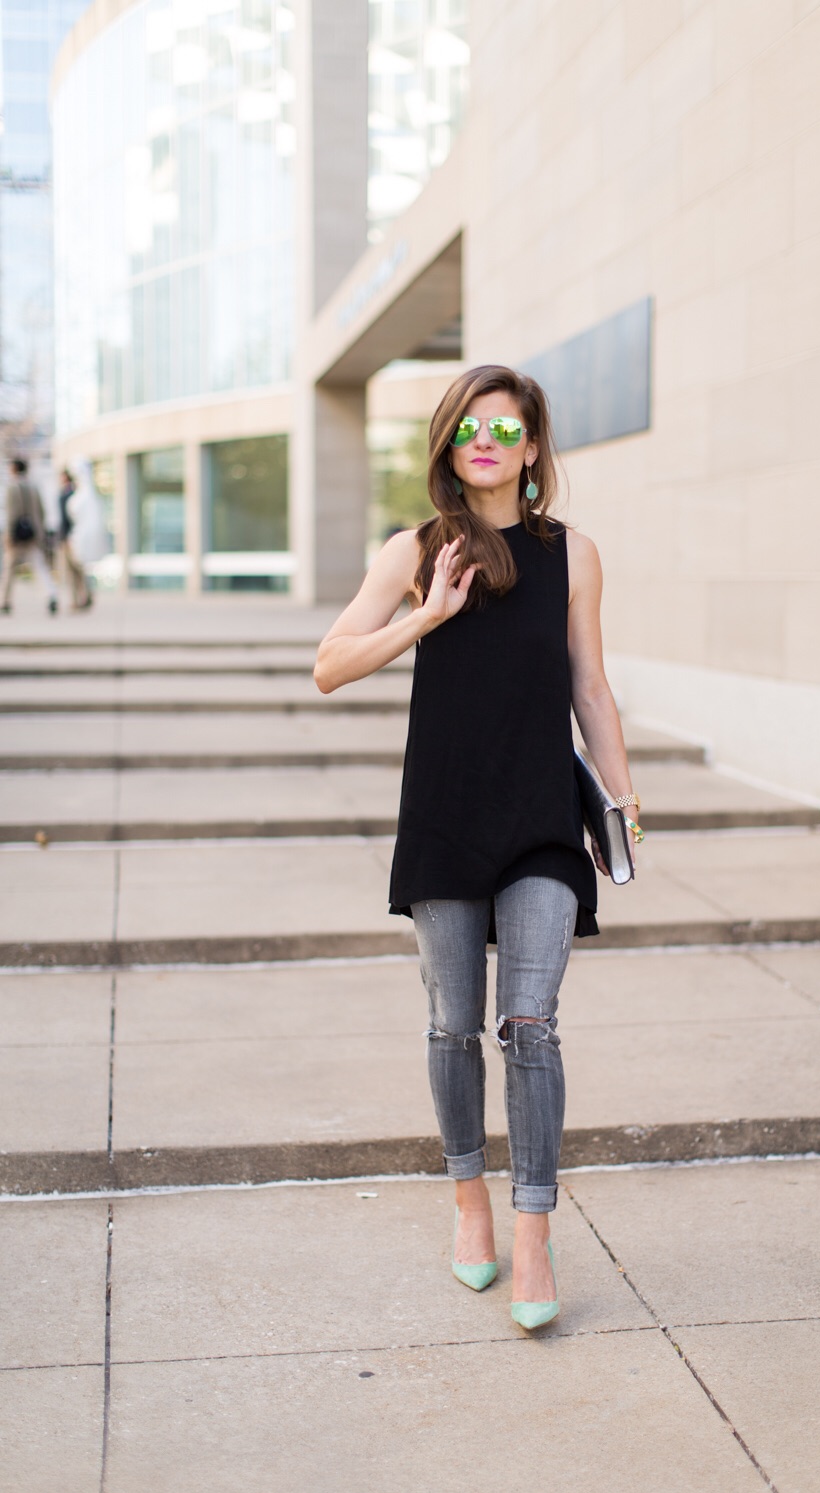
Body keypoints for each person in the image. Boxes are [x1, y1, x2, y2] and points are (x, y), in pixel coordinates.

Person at [314, 365, 642, 1331]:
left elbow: (589, 684)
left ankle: (532, 1227)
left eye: (508, 427)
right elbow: (331, 665)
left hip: (542, 818)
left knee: (529, 1026)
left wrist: (619, 797)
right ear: (451, 445)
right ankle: (469, 1202)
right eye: (470, 427)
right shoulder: (415, 551)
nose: (488, 441)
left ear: (533, 449)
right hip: (447, 817)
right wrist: (426, 615)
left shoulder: (573, 554)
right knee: (454, 1024)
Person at [1, 458, 59, 615]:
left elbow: (11, 514)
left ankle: (4, 601)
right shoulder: (34, 487)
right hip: (33, 535)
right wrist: (40, 532)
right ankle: (50, 595)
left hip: (16, 537)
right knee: (39, 567)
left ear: (14, 469)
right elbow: (41, 512)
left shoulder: (12, 488)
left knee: (9, 569)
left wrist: (9, 536)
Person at [57, 467, 93, 610]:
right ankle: (84, 596)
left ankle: (78, 600)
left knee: (73, 570)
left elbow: (66, 520)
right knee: (78, 569)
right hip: (73, 537)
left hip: (70, 538)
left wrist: (65, 537)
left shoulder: (69, 495)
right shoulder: (76, 493)